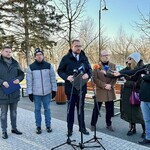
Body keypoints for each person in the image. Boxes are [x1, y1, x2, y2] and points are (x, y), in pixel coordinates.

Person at [58, 39, 91, 137]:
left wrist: (88, 75)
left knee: (81, 109)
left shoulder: (84, 58)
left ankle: (82, 127)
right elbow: (60, 71)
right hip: (70, 89)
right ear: (71, 47)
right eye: (76, 46)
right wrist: (67, 77)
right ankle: (70, 129)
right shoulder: (66, 58)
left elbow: (90, 70)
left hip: (81, 88)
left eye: (80, 46)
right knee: (70, 110)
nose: (78, 48)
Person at [114, 62, 150, 145]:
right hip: (144, 98)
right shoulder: (147, 66)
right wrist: (120, 73)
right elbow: (135, 71)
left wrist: (144, 76)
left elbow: (144, 78)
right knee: (147, 120)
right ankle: (148, 138)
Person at [26, 48, 57, 134]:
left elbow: (53, 79)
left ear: (43, 56)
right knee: (37, 110)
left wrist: (54, 90)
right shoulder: (30, 67)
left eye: (41, 54)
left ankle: (48, 125)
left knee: (47, 109)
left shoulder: (49, 66)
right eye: (37, 55)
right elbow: (29, 81)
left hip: (47, 93)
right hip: (36, 93)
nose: (39, 56)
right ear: (35, 57)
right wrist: (30, 93)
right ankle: (38, 126)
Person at [118, 52, 145, 137]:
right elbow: (119, 73)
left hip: (137, 94)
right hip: (127, 94)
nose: (128, 60)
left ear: (135, 60)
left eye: (130, 59)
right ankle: (132, 128)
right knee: (130, 112)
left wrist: (127, 83)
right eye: (128, 58)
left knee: (139, 113)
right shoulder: (128, 67)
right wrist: (115, 74)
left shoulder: (141, 68)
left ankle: (145, 131)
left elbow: (140, 83)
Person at [0, 46, 24, 139]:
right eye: (6, 51)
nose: (8, 53)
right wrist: (2, 82)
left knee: (14, 112)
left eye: (10, 52)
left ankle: (14, 128)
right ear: (1, 52)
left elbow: (21, 74)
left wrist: (19, 79)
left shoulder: (15, 63)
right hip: (2, 93)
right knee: (3, 113)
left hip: (14, 92)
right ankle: (4, 131)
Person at [90, 50, 117, 132]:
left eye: (107, 55)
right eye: (104, 55)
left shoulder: (113, 65)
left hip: (110, 90)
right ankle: (93, 124)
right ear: (100, 56)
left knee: (109, 109)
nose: (106, 56)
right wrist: (104, 85)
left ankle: (109, 124)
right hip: (101, 90)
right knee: (96, 109)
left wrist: (110, 85)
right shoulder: (96, 66)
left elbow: (115, 77)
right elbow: (95, 78)